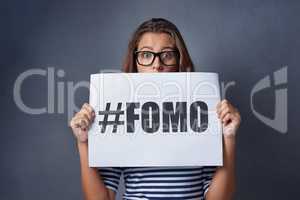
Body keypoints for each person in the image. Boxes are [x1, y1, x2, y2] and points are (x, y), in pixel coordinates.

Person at [69, 18, 241, 200]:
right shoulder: (121, 113)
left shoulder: (200, 113)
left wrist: (228, 138)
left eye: (167, 54)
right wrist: (83, 143)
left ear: (179, 60)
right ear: (135, 62)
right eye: (146, 54)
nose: (157, 65)